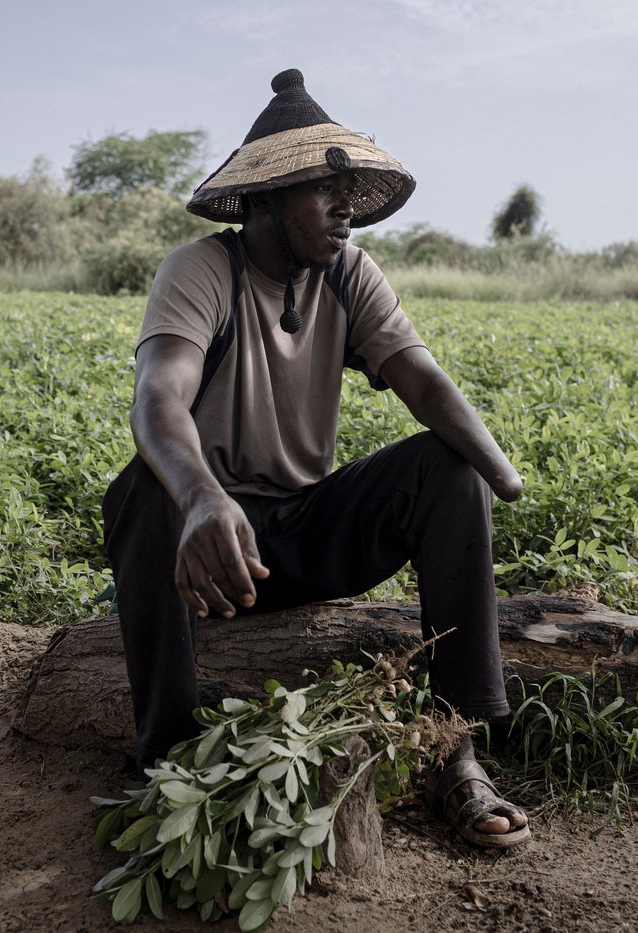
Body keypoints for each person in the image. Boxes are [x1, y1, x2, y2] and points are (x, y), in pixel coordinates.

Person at [102, 69, 530, 848]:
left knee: (449, 469)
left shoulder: (350, 274)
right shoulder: (202, 271)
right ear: (264, 199)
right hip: (214, 554)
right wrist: (201, 497)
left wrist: (499, 470)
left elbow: (422, 381)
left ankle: (456, 747)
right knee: (144, 488)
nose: (344, 211)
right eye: (323, 192)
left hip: (305, 533)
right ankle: (168, 762)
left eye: (350, 193)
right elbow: (158, 398)